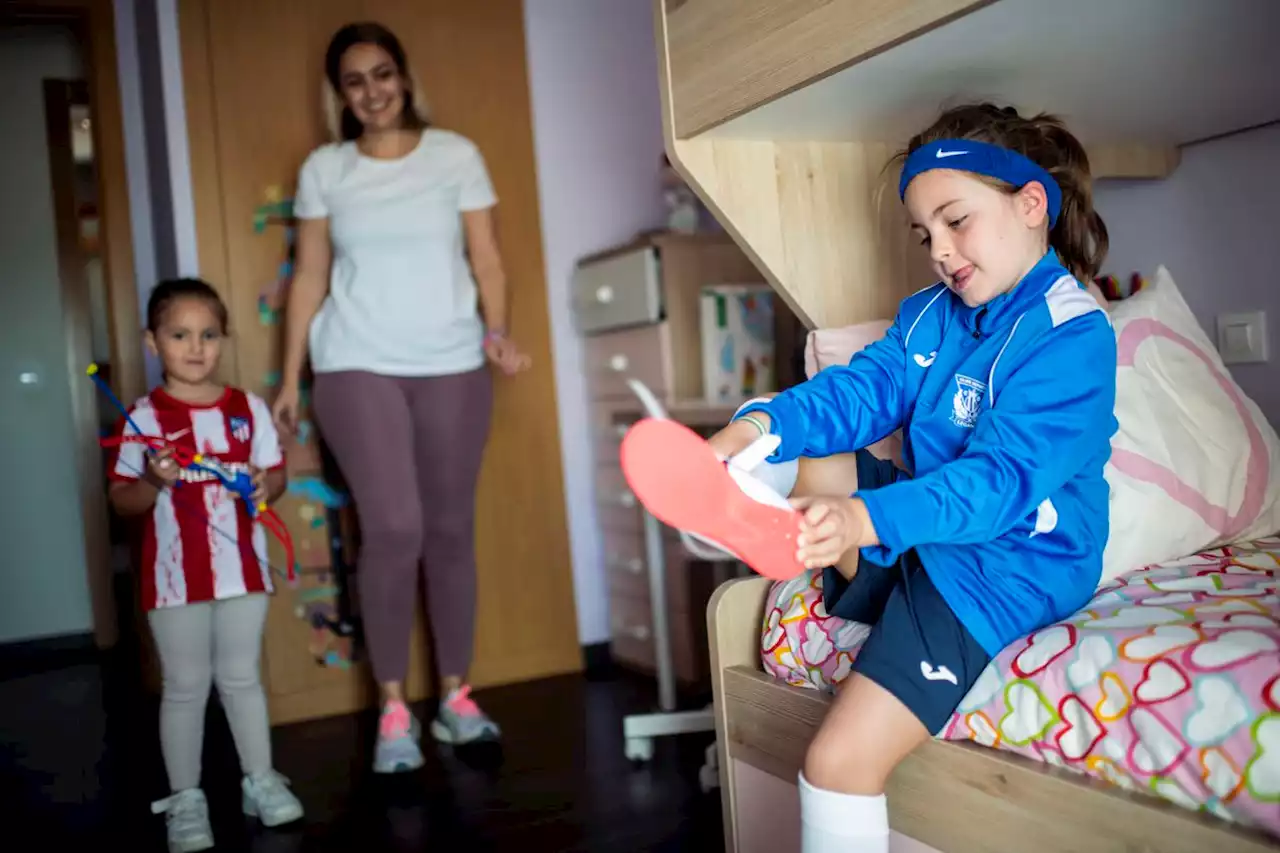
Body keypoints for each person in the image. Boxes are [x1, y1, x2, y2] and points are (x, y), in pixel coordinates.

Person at [631, 103, 1117, 852]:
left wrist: (862, 518)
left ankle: (802, 526)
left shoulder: (1073, 335)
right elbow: (857, 393)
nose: (941, 253)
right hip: (928, 527)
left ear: (1031, 205)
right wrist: (751, 429)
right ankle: (743, 490)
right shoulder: (933, 314)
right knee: (815, 447)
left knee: (835, 761)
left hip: (1005, 565)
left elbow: (996, 484)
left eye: (956, 222)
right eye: (926, 235)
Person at [271, 21, 530, 774]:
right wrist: (290, 375)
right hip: (355, 362)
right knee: (392, 527)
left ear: (404, 77)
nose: (372, 92)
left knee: (449, 529)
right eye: (355, 81)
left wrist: (498, 332)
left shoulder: (456, 156)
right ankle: (392, 710)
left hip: (453, 361)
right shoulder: (326, 168)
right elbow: (310, 275)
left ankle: (455, 697)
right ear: (340, 95)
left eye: (383, 74)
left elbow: (487, 259)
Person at [109, 278, 304, 852]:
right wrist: (151, 478)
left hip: (244, 570)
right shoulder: (141, 417)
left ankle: (260, 780)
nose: (196, 347)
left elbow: (276, 477)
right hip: (172, 582)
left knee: (242, 678)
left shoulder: (249, 409)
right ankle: (186, 798)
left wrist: (271, 483)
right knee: (186, 686)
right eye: (179, 334)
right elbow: (121, 500)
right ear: (152, 342)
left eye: (209, 334)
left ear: (223, 339)